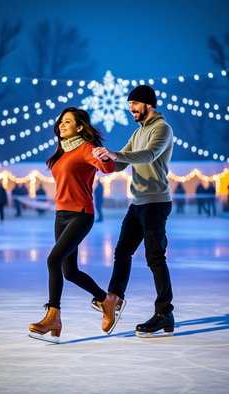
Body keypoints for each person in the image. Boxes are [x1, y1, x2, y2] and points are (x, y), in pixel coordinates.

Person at [28, 107, 125, 344]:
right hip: (61, 215)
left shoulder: (85, 149)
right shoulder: (62, 151)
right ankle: (106, 300)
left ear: (79, 127)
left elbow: (106, 168)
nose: (62, 125)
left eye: (67, 122)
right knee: (69, 271)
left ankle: (53, 315)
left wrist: (104, 157)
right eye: (61, 121)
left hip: (81, 214)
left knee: (53, 260)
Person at [92, 85, 175, 337]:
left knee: (155, 258)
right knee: (122, 251)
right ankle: (114, 299)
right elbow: (123, 161)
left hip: (156, 202)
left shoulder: (162, 129)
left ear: (148, 104)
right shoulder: (137, 132)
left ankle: (164, 312)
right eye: (129, 105)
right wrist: (102, 160)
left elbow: (149, 155)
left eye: (134, 104)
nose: (130, 109)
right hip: (138, 202)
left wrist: (115, 154)